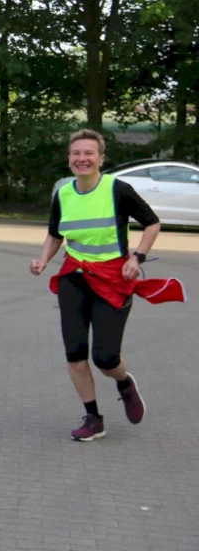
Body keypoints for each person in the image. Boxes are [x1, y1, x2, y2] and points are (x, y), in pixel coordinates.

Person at [30, 129, 185, 442]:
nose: (82, 158)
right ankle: (93, 418)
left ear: (101, 158)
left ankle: (125, 382)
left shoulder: (118, 189)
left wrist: (137, 258)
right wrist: (44, 259)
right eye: (76, 153)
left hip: (114, 279)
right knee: (74, 353)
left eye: (89, 153)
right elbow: (55, 234)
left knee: (105, 358)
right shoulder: (63, 194)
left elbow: (152, 222)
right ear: (70, 159)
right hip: (74, 276)